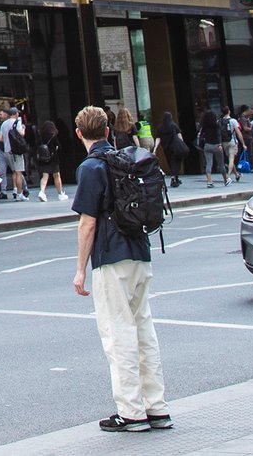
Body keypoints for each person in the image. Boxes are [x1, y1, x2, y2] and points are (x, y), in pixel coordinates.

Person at [70, 104, 168, 433]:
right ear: (109, 132)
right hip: (141, 251)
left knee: (118, 335)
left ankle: (131, 412)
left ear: (79, 133)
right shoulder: (127, 160)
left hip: (112, 258)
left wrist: (80, 269)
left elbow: (87, 224)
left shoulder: (91, 168)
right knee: (144, 332)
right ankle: (156, 407)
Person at [33, 119, 66, 203]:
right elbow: (58, 146)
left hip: (43, 159)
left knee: (44, 176)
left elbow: (37, 146)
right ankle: (60, 194)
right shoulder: (53, 135)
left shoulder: (40, 135)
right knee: (56, 175)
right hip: (53, 158)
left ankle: (42, 192)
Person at [0, 107, 30, 201]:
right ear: (16, 114)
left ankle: (18, 191)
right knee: (18, 172)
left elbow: (0, 139)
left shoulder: (4, 124)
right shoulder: (17, 122)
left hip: (7, 150)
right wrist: (24, 129)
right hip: (16, 151)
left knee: (14, 171)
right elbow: (21, 134)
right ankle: (19, 193)